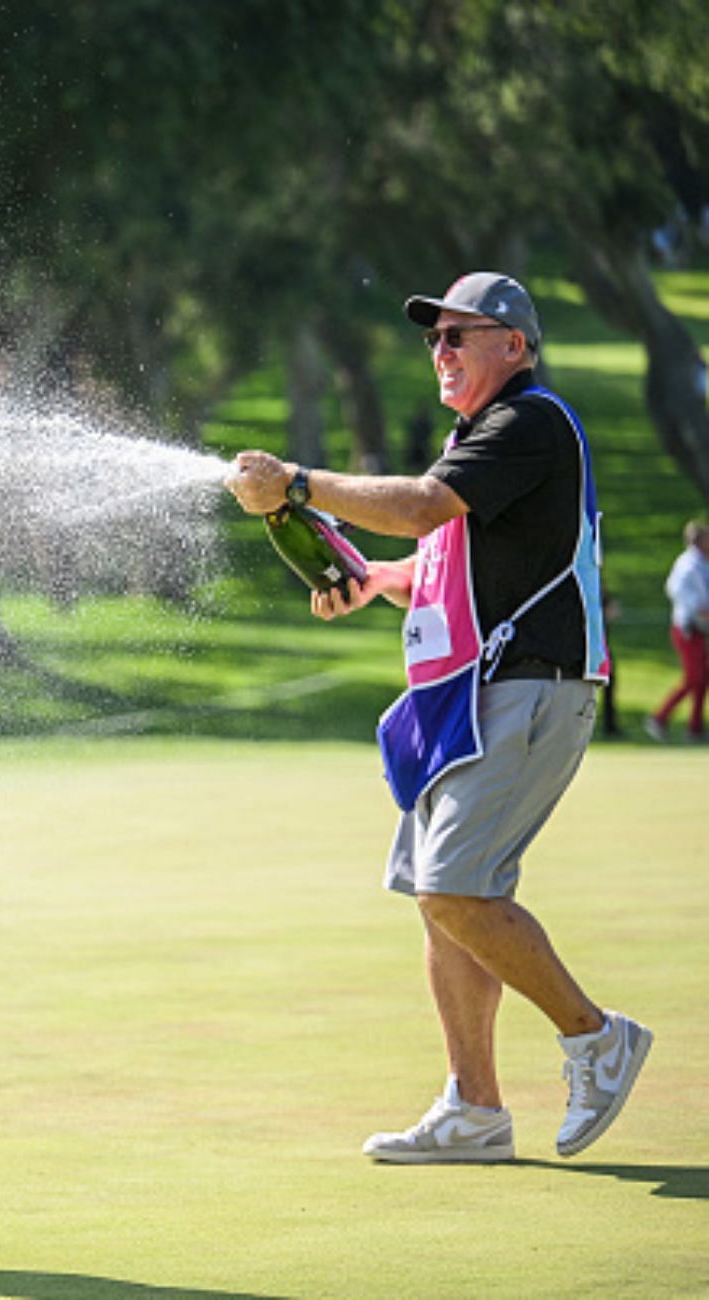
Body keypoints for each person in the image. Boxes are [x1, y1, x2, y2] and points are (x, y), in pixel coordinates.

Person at [225, 272, 652, 1164]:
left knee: (454, 887)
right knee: (440, 902)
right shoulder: (481, 440)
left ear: (517, 347)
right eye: (435, 338)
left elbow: (421, 507)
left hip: (533, 688)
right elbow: (446, 563)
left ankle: (596, 1038)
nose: (442, 351)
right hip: (473, 696)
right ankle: (475, 1110)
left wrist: (299, 482)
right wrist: (379, 579)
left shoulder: (527, 422)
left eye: (463, 335)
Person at [646, 519, 709, 742]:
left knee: (702, 679)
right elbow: (676, 590)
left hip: (699, 630)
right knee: (694, 678)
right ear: (699, 540)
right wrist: (696, 609)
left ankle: (695, 727)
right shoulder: (688, 564)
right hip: (687, 628)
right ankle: (659, 718)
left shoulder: (702, 563)